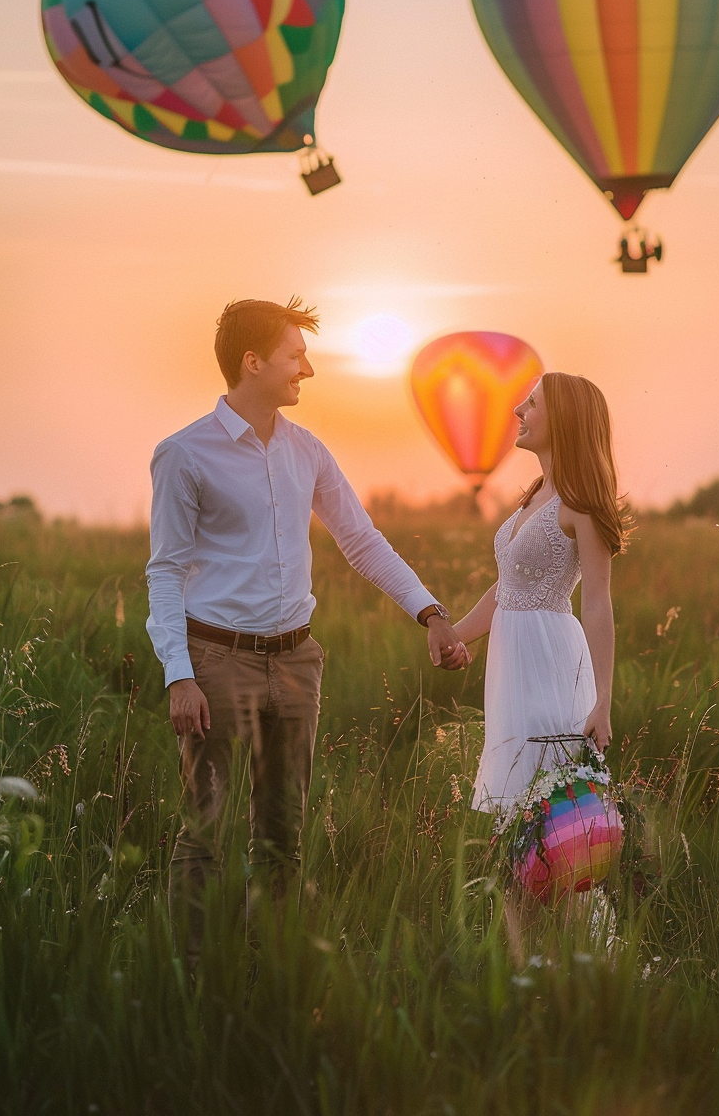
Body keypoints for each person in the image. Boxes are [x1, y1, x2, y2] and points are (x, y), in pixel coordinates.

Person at [146, 297, 469, 961]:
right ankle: (191, 978)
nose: (309, 370)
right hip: (217, 661)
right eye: (296, 357)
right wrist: (180, 673)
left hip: (297, 663)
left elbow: (361, 540)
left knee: (283, 830)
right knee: (205, 827)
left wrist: (431, 612)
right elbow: (164, 572)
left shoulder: (307, 451)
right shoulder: (184, 455)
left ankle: (272, 968)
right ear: (252, 361)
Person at [451, 372, 628, 813]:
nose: (517, 411)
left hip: (550, 662)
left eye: (531, 404)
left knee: (552, 802)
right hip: (511, 668)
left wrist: (603, 701)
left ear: (564, 420)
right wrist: (455, 635)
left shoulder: (581, 503)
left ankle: (563, 883)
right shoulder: (533, 496)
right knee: (516, 804)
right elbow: (509, 587)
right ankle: (522, 882)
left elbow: (597, 602)